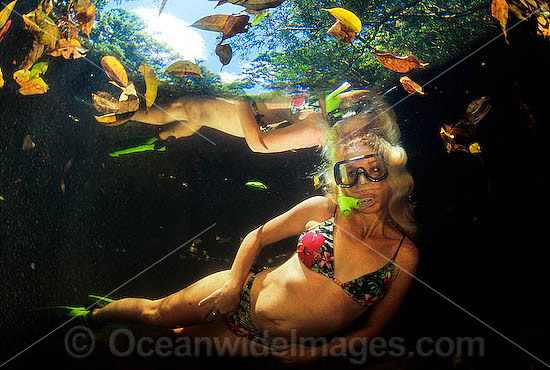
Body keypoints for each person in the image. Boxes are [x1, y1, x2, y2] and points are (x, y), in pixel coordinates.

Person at [84, 93, 419, 364]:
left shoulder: (404, 254)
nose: (363, 183)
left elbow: (374, 328)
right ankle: (91, 317)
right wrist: (232, 285)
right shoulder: (324, 209)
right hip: (240, 292)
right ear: (338, 178)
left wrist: (312, 354)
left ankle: (104, 340)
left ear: (393, 174)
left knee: (173, 341)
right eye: (350, 172)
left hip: (264, 343)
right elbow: (257, 235)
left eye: (373, 170)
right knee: (156, 313)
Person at [128, 82, 373, 154]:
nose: (355, 101)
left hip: (243, 113)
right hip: (245, 108)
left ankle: (121, 112)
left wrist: (241, 98)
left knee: (183, 106)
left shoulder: (317, 130)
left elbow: (258, 145)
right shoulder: (328, 102)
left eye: (360, 107)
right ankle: (157, 141)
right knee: (193, 117)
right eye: (363, 100)